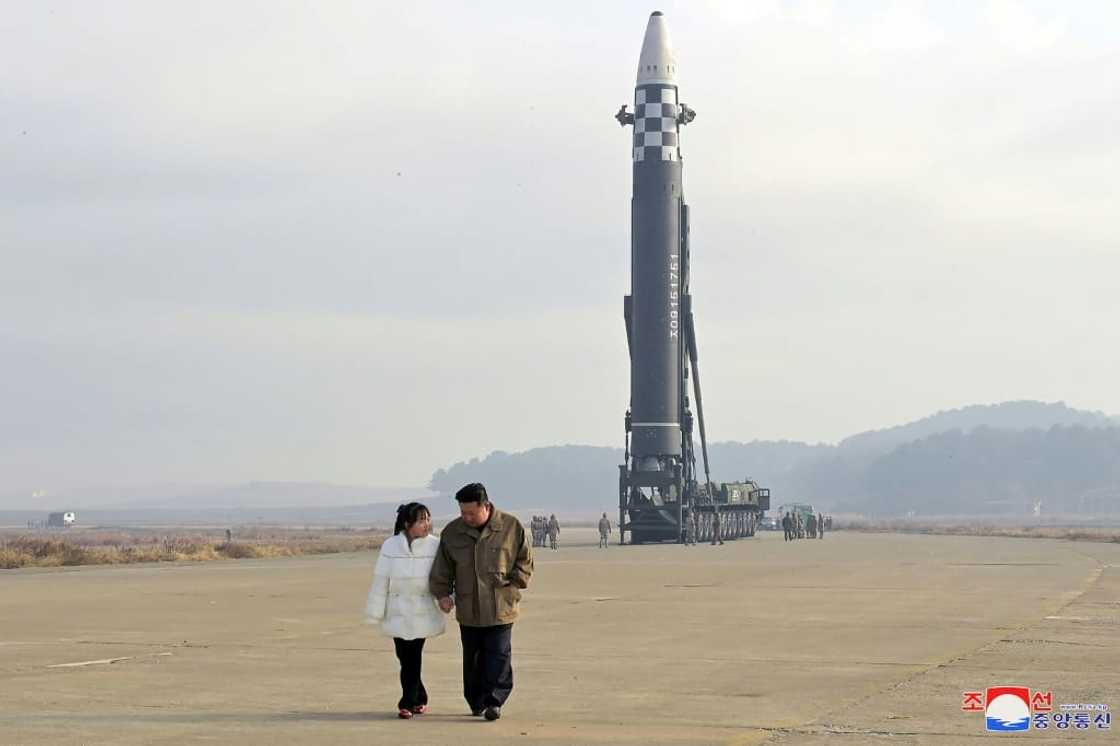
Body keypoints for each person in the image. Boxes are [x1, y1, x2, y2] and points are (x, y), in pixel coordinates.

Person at [430, 483, 533, 721]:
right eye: (462, 512)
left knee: (498, 654)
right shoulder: (453, 533)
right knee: (473, 659)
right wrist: (442, 594)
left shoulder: (510, 527)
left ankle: (494, 701)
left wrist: (515, 583)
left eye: (471, 513)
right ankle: (476, 701)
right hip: (469, 608)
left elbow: (525, 560)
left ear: (485, 506)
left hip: (501, 606)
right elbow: (442, 569)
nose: (466, 517)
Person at [365, 502, 445, 719]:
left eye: (428, 519)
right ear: (407, 524)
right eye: (421, 520)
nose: (426, 524)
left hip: (421, 610)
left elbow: (443, 577)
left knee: (412, 656)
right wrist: (375, 611)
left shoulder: (435, 545)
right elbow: (381, 580)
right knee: (403, 655)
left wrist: (447, 598)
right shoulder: (390, 546)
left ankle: (407, 702)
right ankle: (420, 695)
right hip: (397, 611)